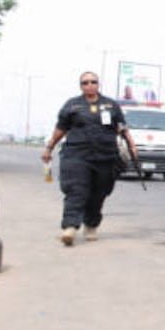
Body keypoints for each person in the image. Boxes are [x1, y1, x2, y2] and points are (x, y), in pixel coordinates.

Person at [42, 71, 137, 246]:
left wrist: (131, 145)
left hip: (105, 156)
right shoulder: (72, 105)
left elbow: (122, 128)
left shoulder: (111, 105)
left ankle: (91, 224)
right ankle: (70, 227)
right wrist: (49, 148)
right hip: (77, 155)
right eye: (85, 83)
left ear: (98, 84)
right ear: (81, 86)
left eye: (93, 82)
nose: (89, 85)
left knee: (99, 193)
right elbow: (60, 129)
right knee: (76, 190)